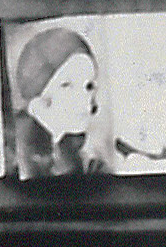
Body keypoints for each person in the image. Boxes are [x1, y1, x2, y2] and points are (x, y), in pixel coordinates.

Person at [11, 24, 111, 181]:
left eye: (88, 86)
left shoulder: (87, 162)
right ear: (37, 94)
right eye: (67, 85)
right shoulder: (13, 156)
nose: (86, 99)